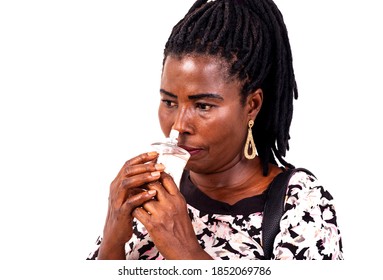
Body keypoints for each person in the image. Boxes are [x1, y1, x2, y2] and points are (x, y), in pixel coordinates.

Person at [87, 0, 343, 260]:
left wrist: (186, 252)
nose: (179, 125)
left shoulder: (300, 205)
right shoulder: (151, 196)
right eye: (169, 102)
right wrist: (112, 240)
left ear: (252, 105)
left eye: (203, 106)